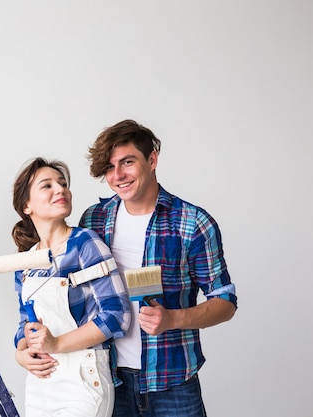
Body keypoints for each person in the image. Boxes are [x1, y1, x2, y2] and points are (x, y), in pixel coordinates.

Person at [79, 119, 237, 417]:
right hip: (110, 379)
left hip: (174, 381)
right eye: (110, 167)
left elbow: (225, 302)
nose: (118, 175)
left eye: (128, 162)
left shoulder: (192, 223)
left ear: (152, 160)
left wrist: (173, 318)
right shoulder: (94, 220)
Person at [11, 157, 131, 417]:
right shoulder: (26, 262)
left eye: (63, 183)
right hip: (40, 385)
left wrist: (55, 343)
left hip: (83, 380)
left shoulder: (85, 243)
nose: (60, 189)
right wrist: (21, 354)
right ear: (26, 205)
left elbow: (116, 316)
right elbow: (24, 325)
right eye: (47, 185)